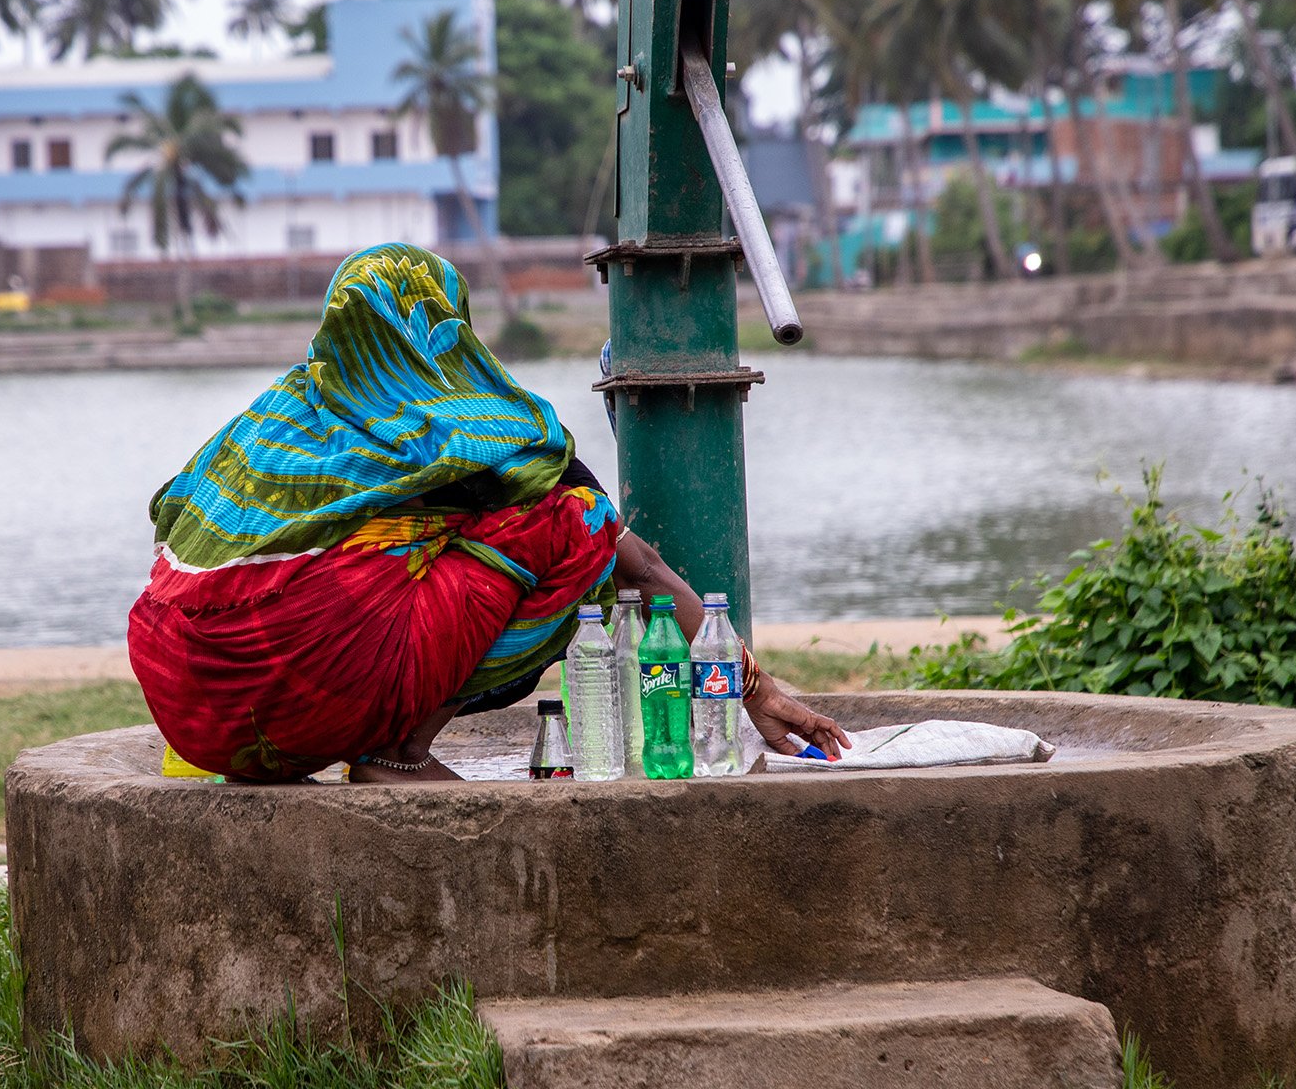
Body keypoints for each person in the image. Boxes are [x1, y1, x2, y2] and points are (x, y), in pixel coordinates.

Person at [127, 242, 847, 783]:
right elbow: (637, 563)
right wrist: (752, 686)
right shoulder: (480, 427)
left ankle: (308, 735)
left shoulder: (274, 421)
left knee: (380, 563)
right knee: (575, 520)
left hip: (192, 710)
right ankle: (398, 753)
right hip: (308, 697)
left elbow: (173, 513)